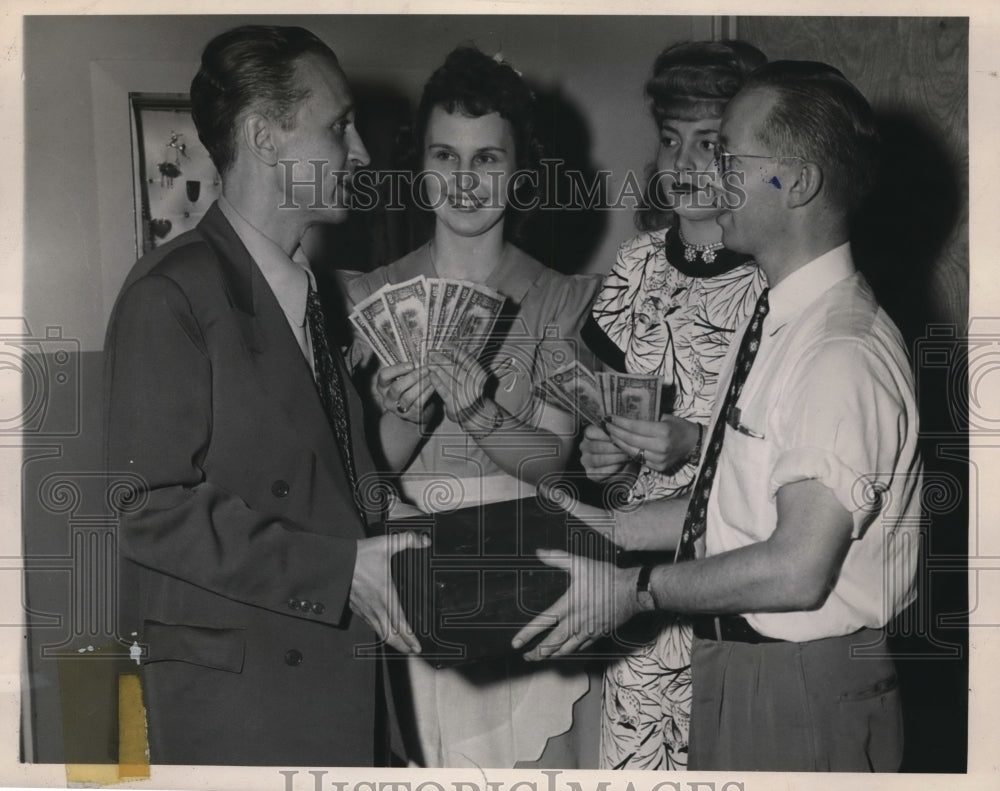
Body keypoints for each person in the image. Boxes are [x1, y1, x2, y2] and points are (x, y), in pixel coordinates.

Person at [514, 60, 922, 772]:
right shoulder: (775, 319)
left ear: (796, 182)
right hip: (743, 668)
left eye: (730, 155)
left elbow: (796, 567)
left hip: (802, 683)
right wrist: (599, 528)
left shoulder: (840, 352)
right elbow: (728, 508)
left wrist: (637, 589)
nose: (707, 173)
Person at [104, 25, 426, 766]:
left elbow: (311, 489)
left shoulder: (313, 294)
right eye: (340, 127)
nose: (364, 154)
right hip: (243, 715)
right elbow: (149, 508)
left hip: (332, 687)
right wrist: (342, 571)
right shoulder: (172, 294)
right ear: (265, 137)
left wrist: (390, 479)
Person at [345, 47, 601, 768]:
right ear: (418, 165)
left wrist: (482, 415)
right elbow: (360, 477)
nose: (463, 181)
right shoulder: (363, 298)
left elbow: (554, 463)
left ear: (520, 173)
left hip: (526, 576)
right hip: (409, 581)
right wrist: (407, 417)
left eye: (487, 159)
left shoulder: (562, 297)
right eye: (444, 156)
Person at [582, 40, 766, 770]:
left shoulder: (770, 279)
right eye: (670, 141)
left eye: (711, 144)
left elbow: (772, 463)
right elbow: (604, 426)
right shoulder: (634, 264)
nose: (686, 165)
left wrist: (692, 442)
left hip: (734, 586)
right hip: (635, 595)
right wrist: (604, 449)